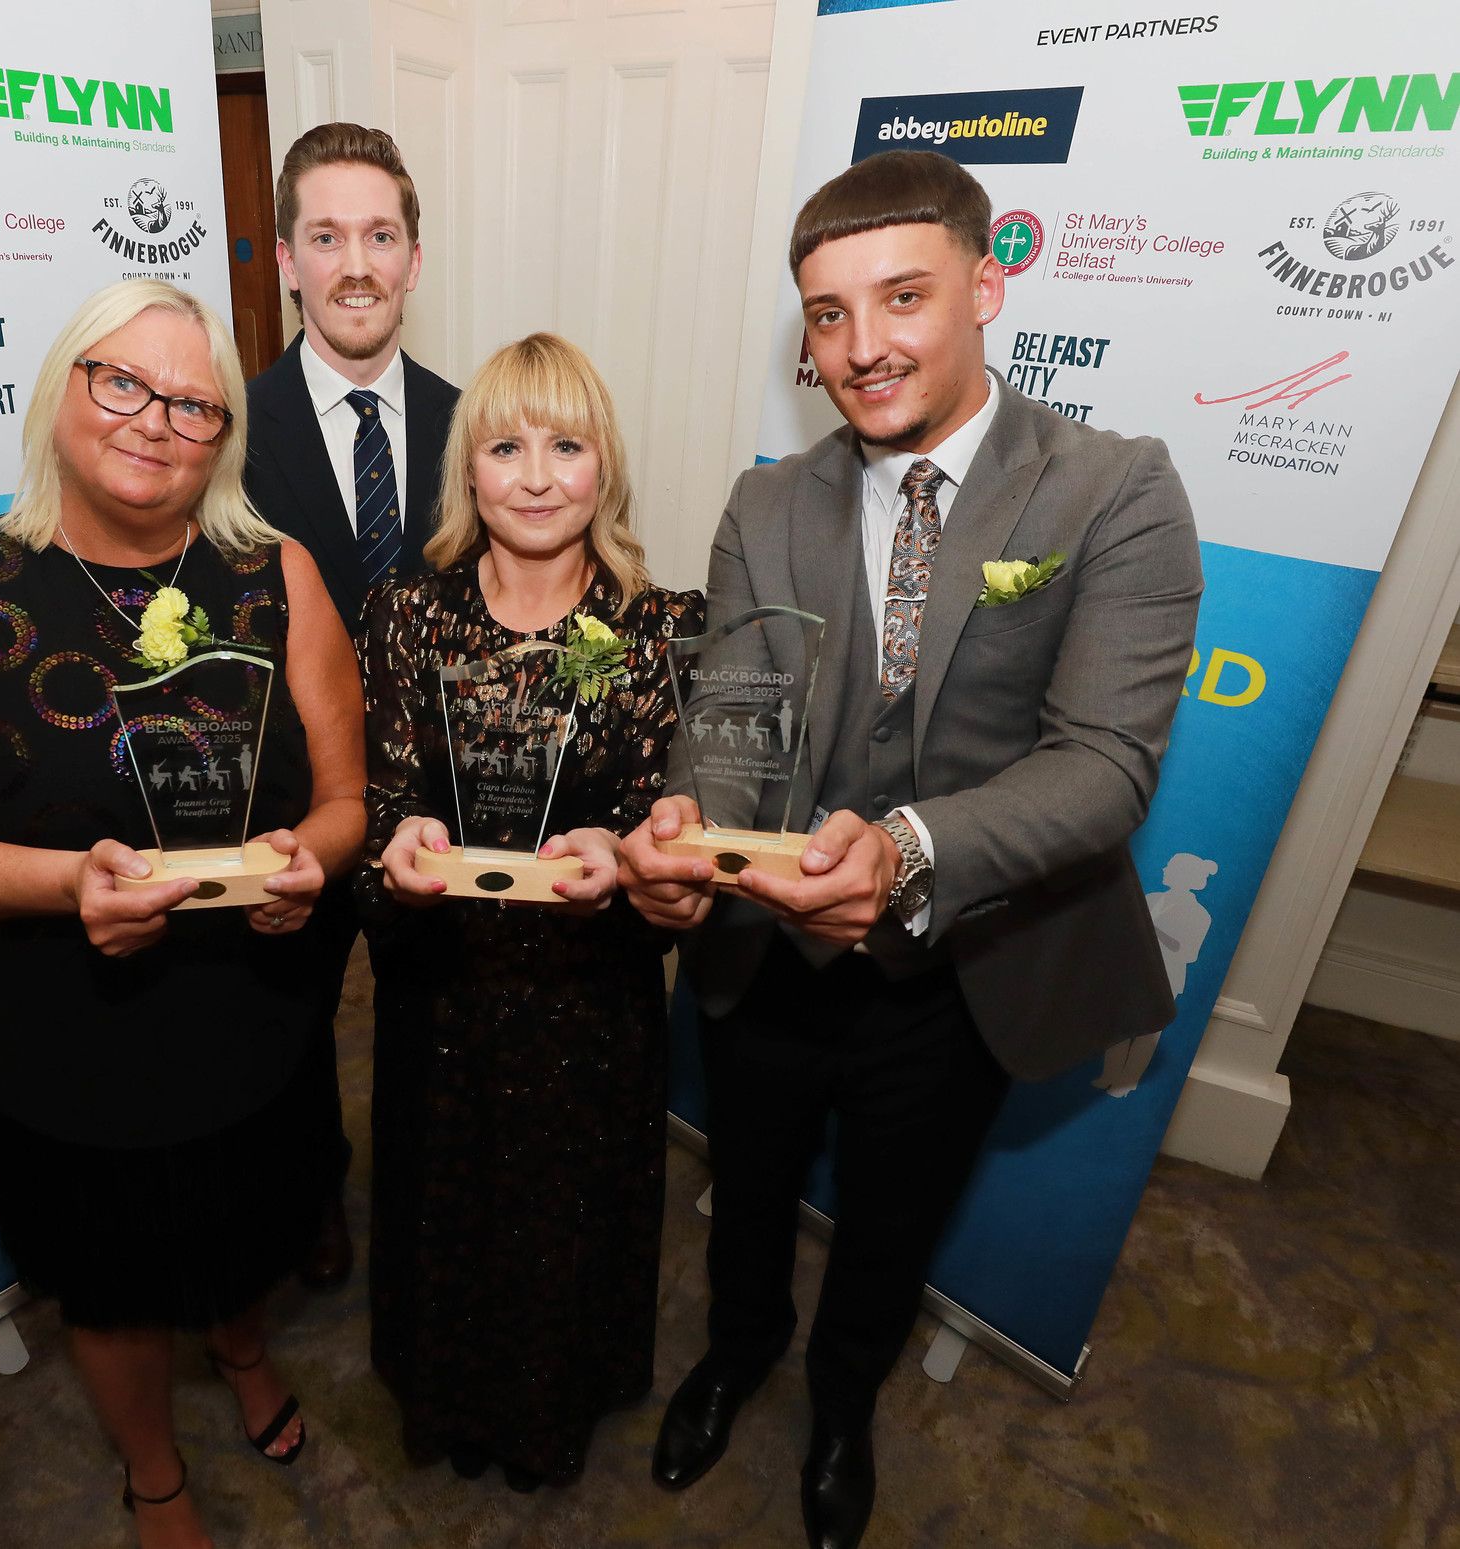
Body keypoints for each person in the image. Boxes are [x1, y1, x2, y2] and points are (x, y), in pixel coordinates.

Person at [617, 150, 1202, 1549]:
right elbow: (733, 718)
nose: (862, 346)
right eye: (827, 314)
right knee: (745, 1184)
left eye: (901, 298)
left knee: (892, 1216)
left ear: (988, 286)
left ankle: (840, 1402)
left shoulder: (1113, 492)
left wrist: (905, 849)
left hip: (959, 964)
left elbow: (1106, 764)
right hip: (768, 951)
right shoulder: (771, 505)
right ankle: (740, 1348)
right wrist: (688, 819)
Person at [0, 280, 366, 1549]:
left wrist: (308, 860)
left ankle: (243, 1356)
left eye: (194, 402)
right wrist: (61, 885)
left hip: (253, 1006)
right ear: (63, 391)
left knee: (249, 1220)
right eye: (121, 382)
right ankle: (152, 1473)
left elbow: (350, 797)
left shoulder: (274, 572)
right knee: (115, 1278)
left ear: (224, 435)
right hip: (67, 1031)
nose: (156, 422)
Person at [361, 332, 704, 1490]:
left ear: (603, 466)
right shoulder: (406, 610)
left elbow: (672, 820)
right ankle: (449, 1406)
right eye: (506, 446)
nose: (538, 474)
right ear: (469, 471)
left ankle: (545, 1420)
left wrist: (625, 850)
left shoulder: (658, 629)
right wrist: (394, 839)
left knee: (563, 1221)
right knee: (442, 1208)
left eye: (566, 444)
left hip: (586, 1002)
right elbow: (382, 793)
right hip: (441, 989)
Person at [243, 122, 462, 1290]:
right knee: (292, 1017)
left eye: (379, 234)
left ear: (415, 258)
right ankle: (314, 1191)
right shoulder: (227, 435)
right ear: (287, 260)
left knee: (442, 1008)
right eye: (326, 237)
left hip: (443, 792)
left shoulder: (475, 423)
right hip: (296, 789)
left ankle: (432, 1192)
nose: (356, 263)